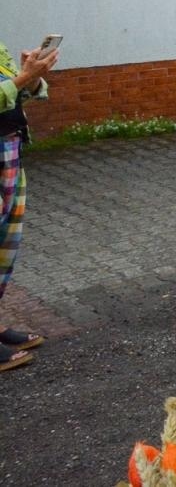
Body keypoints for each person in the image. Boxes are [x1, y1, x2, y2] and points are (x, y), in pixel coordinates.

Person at [1, 39, 57, 371]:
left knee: (4, 250)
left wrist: (32, 77)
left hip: (10, 150)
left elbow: (17, 91)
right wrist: (23, 78)